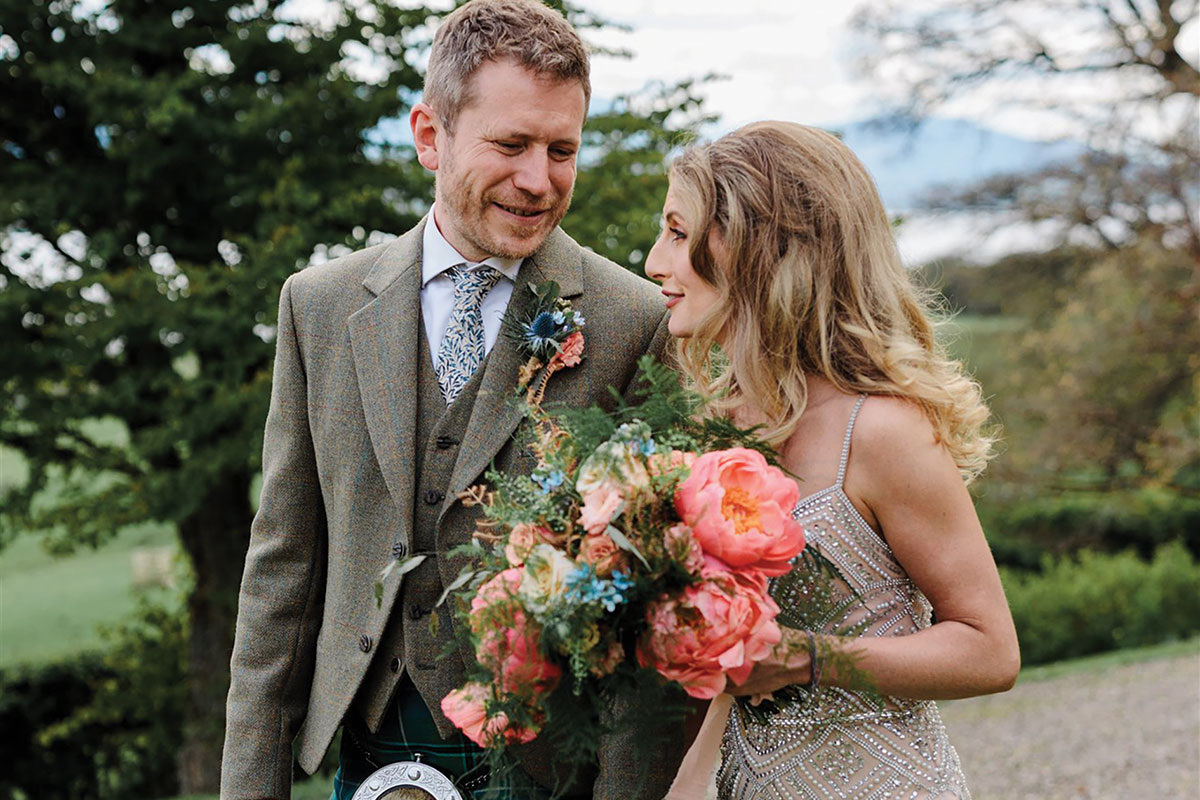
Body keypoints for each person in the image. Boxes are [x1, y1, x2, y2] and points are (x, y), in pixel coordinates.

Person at [219, 2, 684, 798]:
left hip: (545, 771)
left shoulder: (631, 319)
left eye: (562, 150)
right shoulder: (319, 307)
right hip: (367, 755)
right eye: (511, 144)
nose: (539, 181)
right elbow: (283, 569)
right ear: (430, 135)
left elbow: (652, 614)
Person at [646, 121, 1021, 799]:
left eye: (678, 233)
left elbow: (990, 650)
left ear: (756, 248)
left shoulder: (881, 430)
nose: (654, 262)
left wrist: (808, 661)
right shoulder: (704, 426)